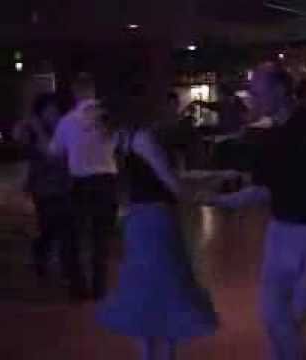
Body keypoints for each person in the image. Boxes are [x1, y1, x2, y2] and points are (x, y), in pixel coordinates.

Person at [203, 65, 306, 360]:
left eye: (257, 91)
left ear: (280, 90)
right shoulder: (269, 138)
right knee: (275, 318)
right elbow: (263, 191)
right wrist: (218, 201)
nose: (252, 97)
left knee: (291, 318)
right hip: (280, 232)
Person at [97, 97, 217, 360]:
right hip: (157, 221)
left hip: (138, 221)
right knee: (166, 290)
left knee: (145, 292)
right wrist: (203, 193)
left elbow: (133, 186)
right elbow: (170, 182)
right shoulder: (143, 139)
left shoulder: (121, 140)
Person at [49, 74, 119, 301]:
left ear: (75, 92)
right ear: (94, 90)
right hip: (107, 182)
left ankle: (78, 289)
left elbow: (55, 152)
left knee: (74, 237)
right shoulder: (108, 117)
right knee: (101, 237)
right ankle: (99, 289)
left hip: (80, 183)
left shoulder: (67, 121)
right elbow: (119, 143)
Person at [13, 93, 73, 279]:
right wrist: (30, 124)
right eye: (48, 110)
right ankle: (41, 257)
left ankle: (64, 266)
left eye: (55, 110)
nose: (52, 114)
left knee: (64, 227)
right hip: (43, 187)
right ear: (41, 112)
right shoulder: (35, 131)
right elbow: (19, 137)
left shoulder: (64, 128)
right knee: (48, 227)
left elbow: (59, 154)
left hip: (63, 184)